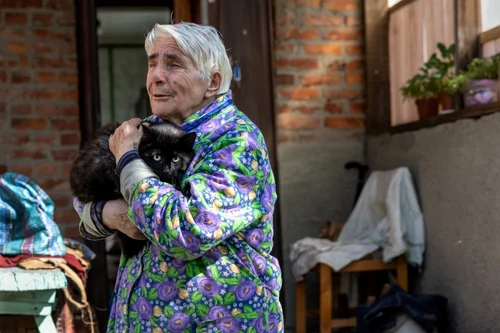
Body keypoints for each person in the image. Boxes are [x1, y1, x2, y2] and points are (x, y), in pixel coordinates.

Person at [73, 22, 283, 333]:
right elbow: (83, 193)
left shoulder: (237, 142)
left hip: (217, 322)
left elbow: (186, 232)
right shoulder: (146, 128)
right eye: (152, 62)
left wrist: (129, 160)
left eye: (173, 64)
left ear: (212, 82)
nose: (156, 75)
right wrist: (110, 215)